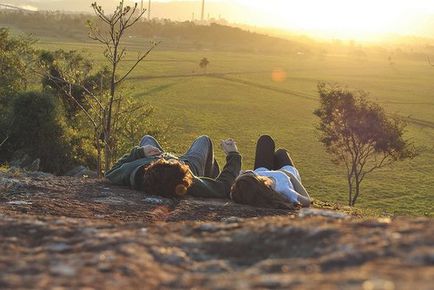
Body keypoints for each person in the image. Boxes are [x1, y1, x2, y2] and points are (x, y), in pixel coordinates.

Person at [105, 135, 241, 199]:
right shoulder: (187, 180)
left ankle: (152, 153)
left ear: (151, 166)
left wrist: (140, 152)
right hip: (190, 163)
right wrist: (233, 154)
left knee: (147, 139)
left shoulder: (131, 171)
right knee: (204, 140)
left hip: (153, 156)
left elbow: (111, 172)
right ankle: (208, 173)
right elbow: (223, 186)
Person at [230, 135, 311, 209]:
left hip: (264, 171)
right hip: (287, 175)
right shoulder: (284, 190)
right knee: (281, 153)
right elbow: (307, 200)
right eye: (250, 173)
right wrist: (290, 176)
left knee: (265, 140)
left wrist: (232, 151)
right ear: (260, 181)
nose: (247, 171)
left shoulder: (246, 187)